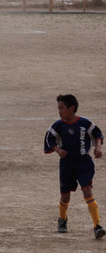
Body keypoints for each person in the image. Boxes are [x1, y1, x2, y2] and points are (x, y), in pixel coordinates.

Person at [45, 94, 105, 239]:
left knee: (87, 192)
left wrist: (98, 147)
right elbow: (49, 139)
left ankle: (97, 226)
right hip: (67, 164)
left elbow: (98, 134)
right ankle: (62, 219)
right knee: (65, 196)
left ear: (72, 108)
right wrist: (58, 151)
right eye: (58, 108)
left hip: (84, 163)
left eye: (62, 108)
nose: (59, 111)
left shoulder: (85, 123)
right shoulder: (58, 125)